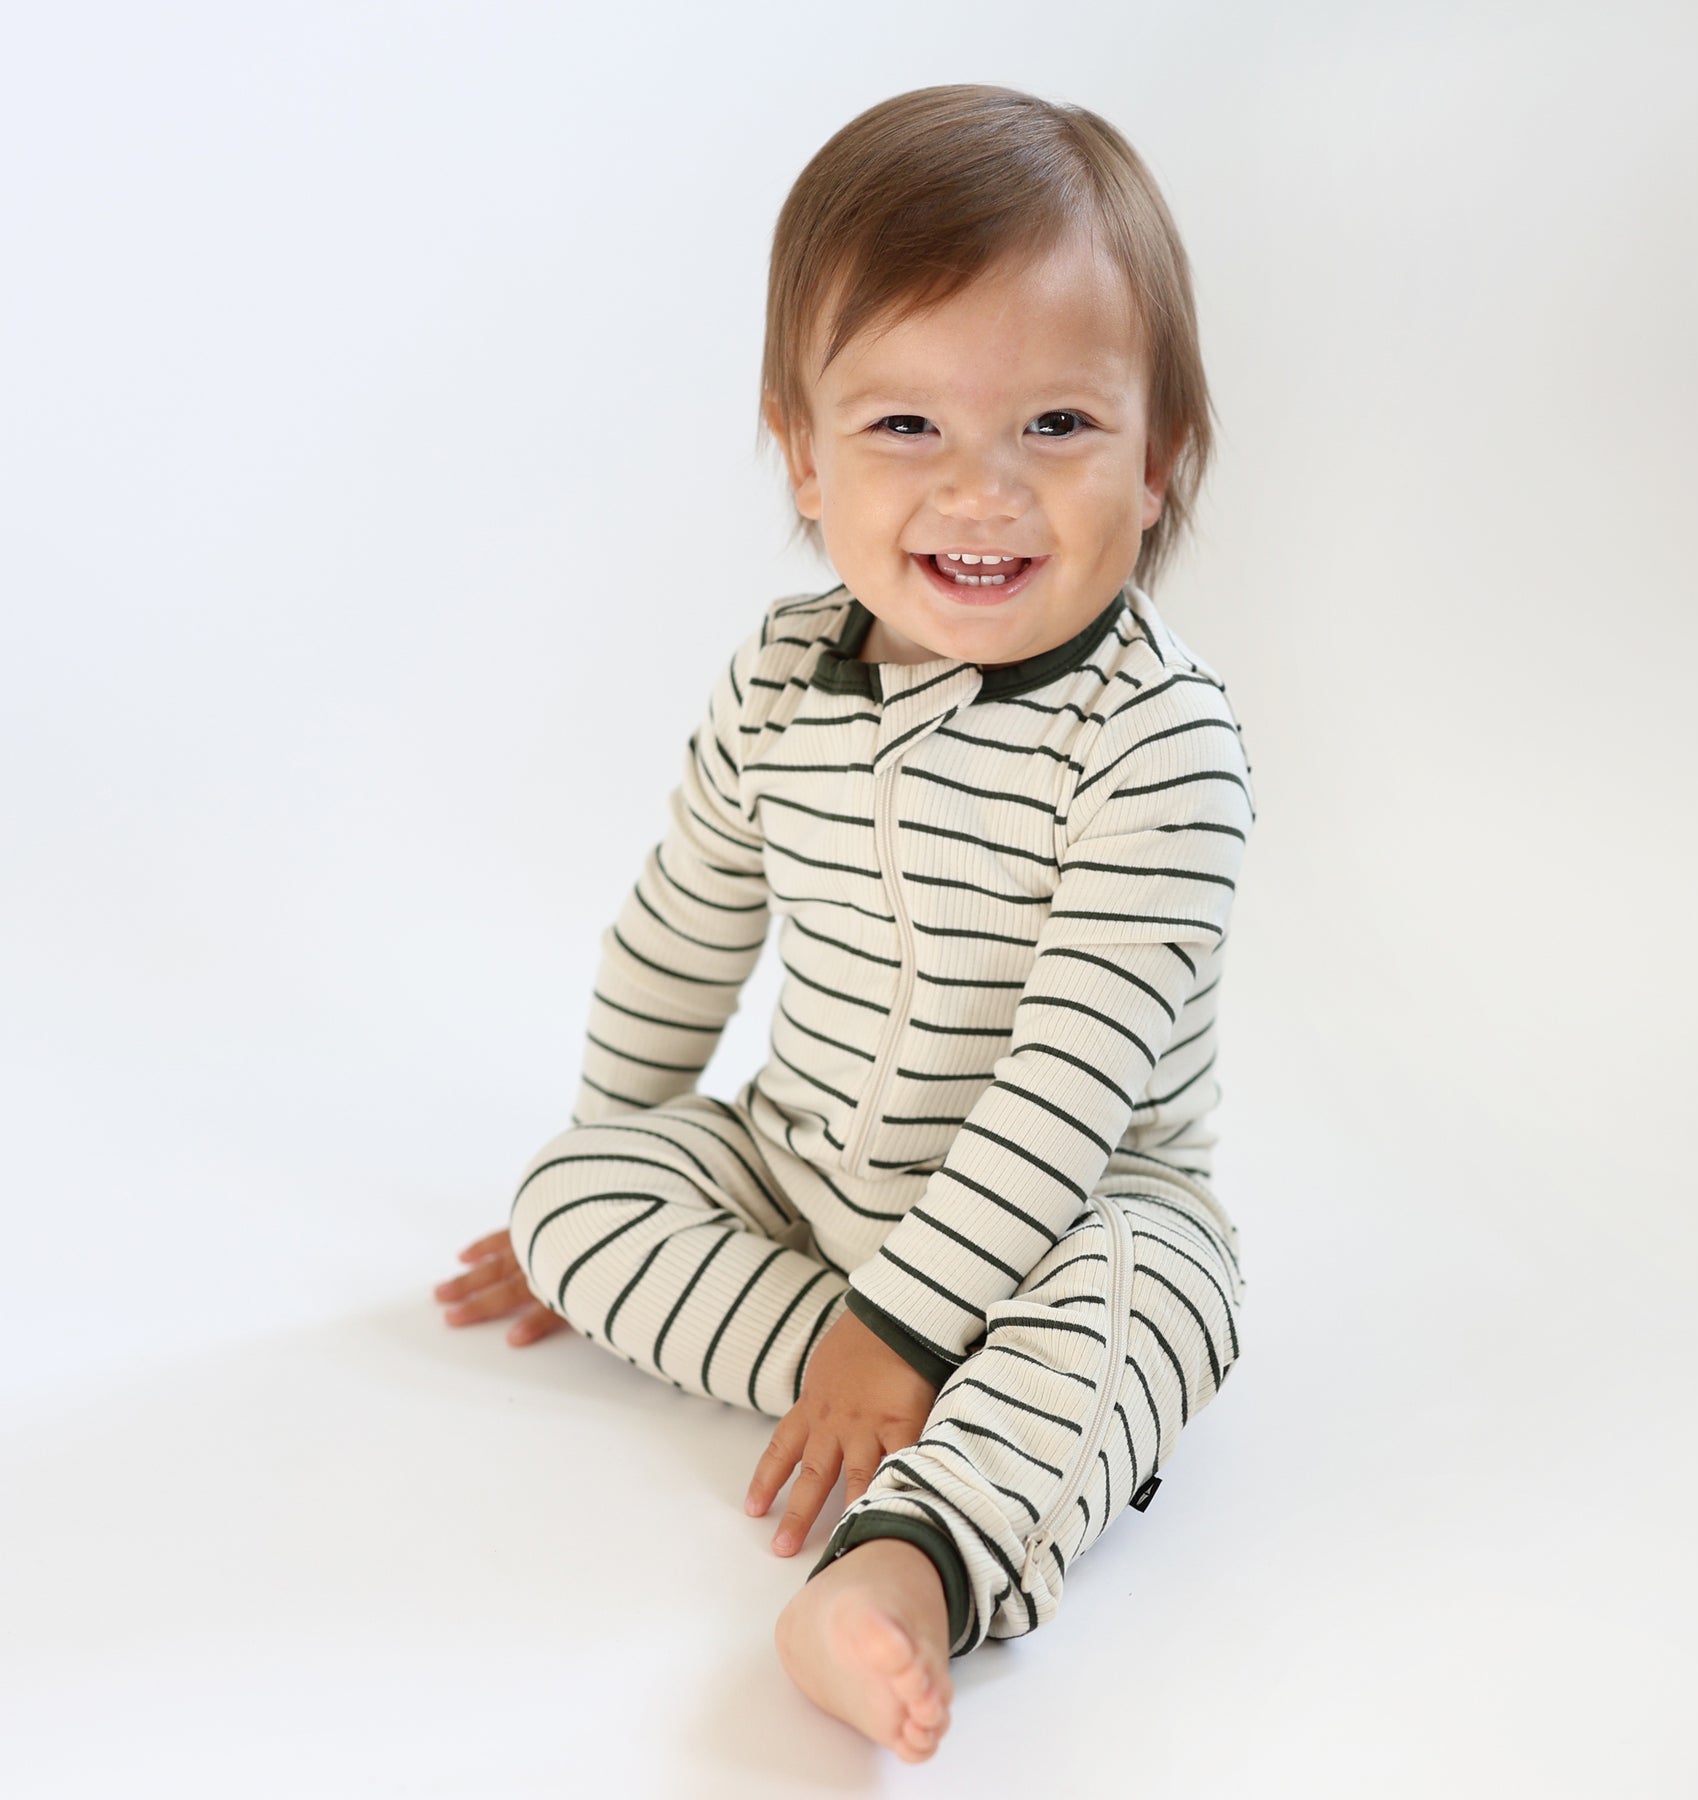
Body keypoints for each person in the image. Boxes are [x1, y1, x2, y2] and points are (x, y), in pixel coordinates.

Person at [433, 83, 1256, 1764]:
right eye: (904, 432)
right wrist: (614, 1164)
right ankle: (954, 1413)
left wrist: (912, 1326)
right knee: (577, 1196)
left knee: (1161, 1298)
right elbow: (680, 931)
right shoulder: (782, 677)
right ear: (802, 454)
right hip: (804, 1175)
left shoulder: (1157, 747)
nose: (982, 493)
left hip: (1072, 1206)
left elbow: (1066, 1087)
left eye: (1056, 429)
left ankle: (896, 1568)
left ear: (1159, 454)